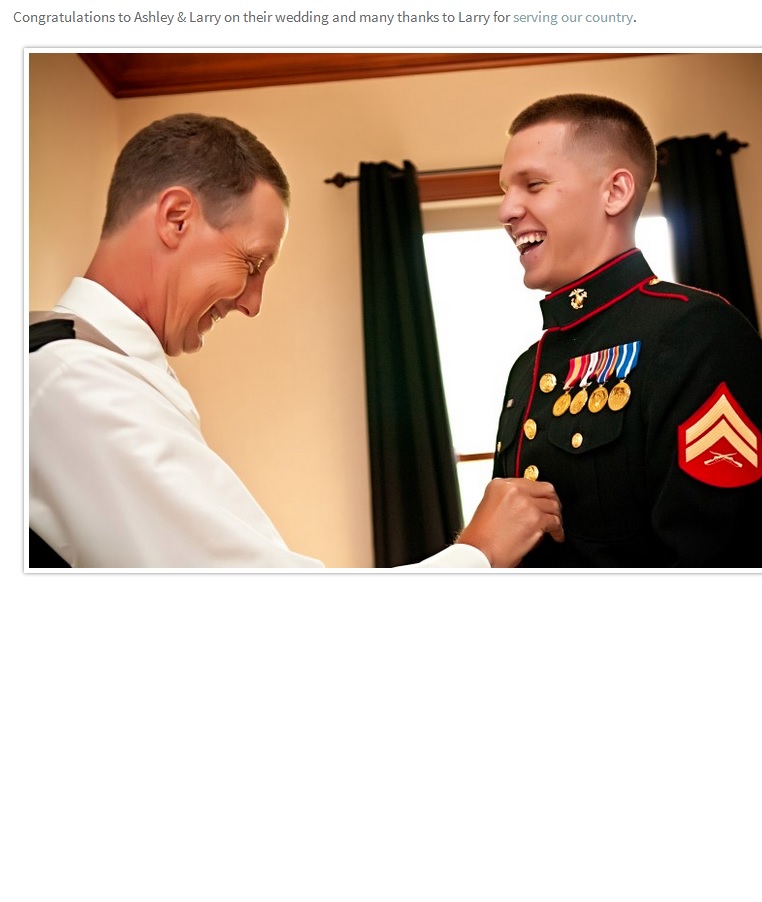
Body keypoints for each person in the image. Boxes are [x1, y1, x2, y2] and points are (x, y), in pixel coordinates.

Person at [29, 113, 562, 569]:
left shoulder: (101, 371)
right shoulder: (74, 382)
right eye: (251, 263)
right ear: (176, 218)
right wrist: (478, 552)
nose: (252, 303)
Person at [491, 94, 762, 568]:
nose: (506, 210)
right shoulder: (527, 367)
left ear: (615, 192)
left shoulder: (695, 332)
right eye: (505, 190)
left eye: (533, 185)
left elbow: (721, 561)